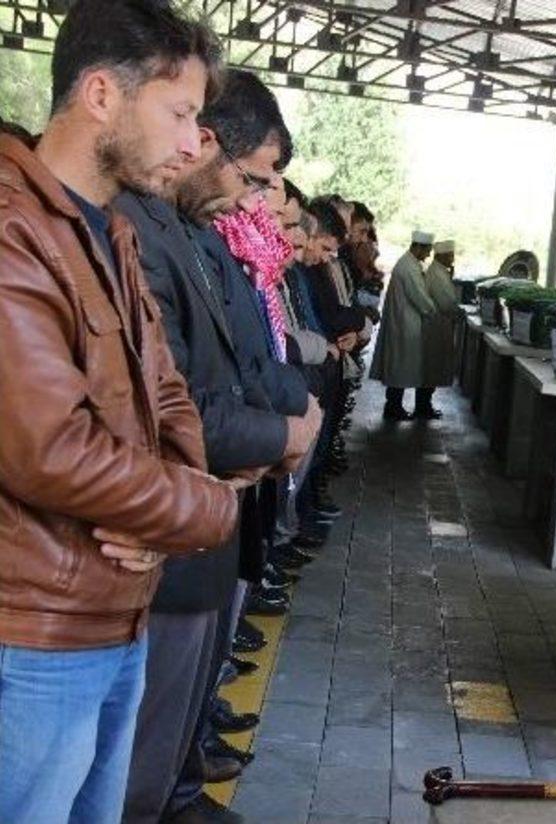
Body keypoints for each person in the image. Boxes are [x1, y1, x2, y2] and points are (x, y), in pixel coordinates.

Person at [0, 2, 242, 822]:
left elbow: (169, 397)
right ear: (101, 94)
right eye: (179, 113)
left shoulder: (112, 232)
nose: (193, 144)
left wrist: (163, 517)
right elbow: (48, 448)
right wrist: (204, 508)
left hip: (114, 611)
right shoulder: (14, 228)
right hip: (35, 629)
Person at [114, 67, 322, 824]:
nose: (188, 141)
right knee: (131, 767)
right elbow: (166, 408)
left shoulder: (188, 231)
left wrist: (289, 421)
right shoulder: (131, 230)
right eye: (180, 117)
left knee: (167, 733)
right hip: (156, 531)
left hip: (201, 516)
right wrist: (281, 432)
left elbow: (239, 365)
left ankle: (178, 795)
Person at [371, 230, 438, 421]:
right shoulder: (408, 267)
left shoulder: (409, 264)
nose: (428, 254)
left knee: (399, 367)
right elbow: (420, 298)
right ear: (418, 247)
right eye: (427, 250)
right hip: (405, 324)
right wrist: (434, 310)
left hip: (404, 322)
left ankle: (395, 406)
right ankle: (393, 408)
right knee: (399, 368)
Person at [421, 239, 462, 417]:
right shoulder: (436, 274)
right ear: (441, 256)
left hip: (439, 325)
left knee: (432, 368)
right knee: (431, 368)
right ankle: (423, 407)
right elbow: (446, 303)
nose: (452, 259)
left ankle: (425, 405)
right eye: (450, 255)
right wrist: (458, 312)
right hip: (435, 326)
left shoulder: (440, 271)